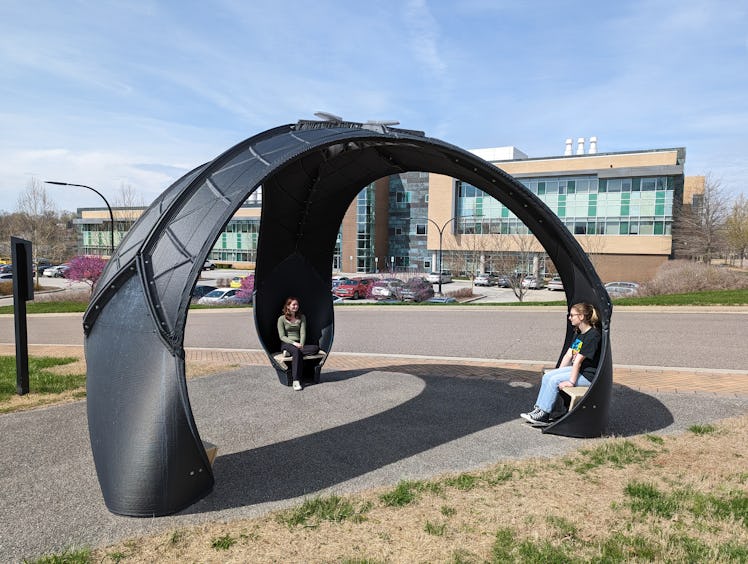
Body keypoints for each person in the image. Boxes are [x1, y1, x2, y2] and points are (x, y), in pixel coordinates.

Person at [520, 302, 601, 426]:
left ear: (581, 316)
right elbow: (569, 355)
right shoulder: (579, 334)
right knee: (549, 376)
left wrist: (571, 382)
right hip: (579, 372)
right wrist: (557, 372)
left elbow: (578, 361)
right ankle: (540, 409)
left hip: (589, 376)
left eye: (572, 315)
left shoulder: (593, 336)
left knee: (554, 380)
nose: (569, 318)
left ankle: (544, 415)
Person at [277, 296, 319, 391]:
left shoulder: (302, 317)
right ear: (288, 306)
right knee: (296, 351)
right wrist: (294, 344)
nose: (296, 306)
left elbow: (303, 332)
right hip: (287, 343)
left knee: (315, 348)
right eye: (293, 305)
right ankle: (296, 380)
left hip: (298, 344)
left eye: (297, 305)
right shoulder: (281, 319)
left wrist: (301, 344)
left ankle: (289, 353)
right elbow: (282, 336)